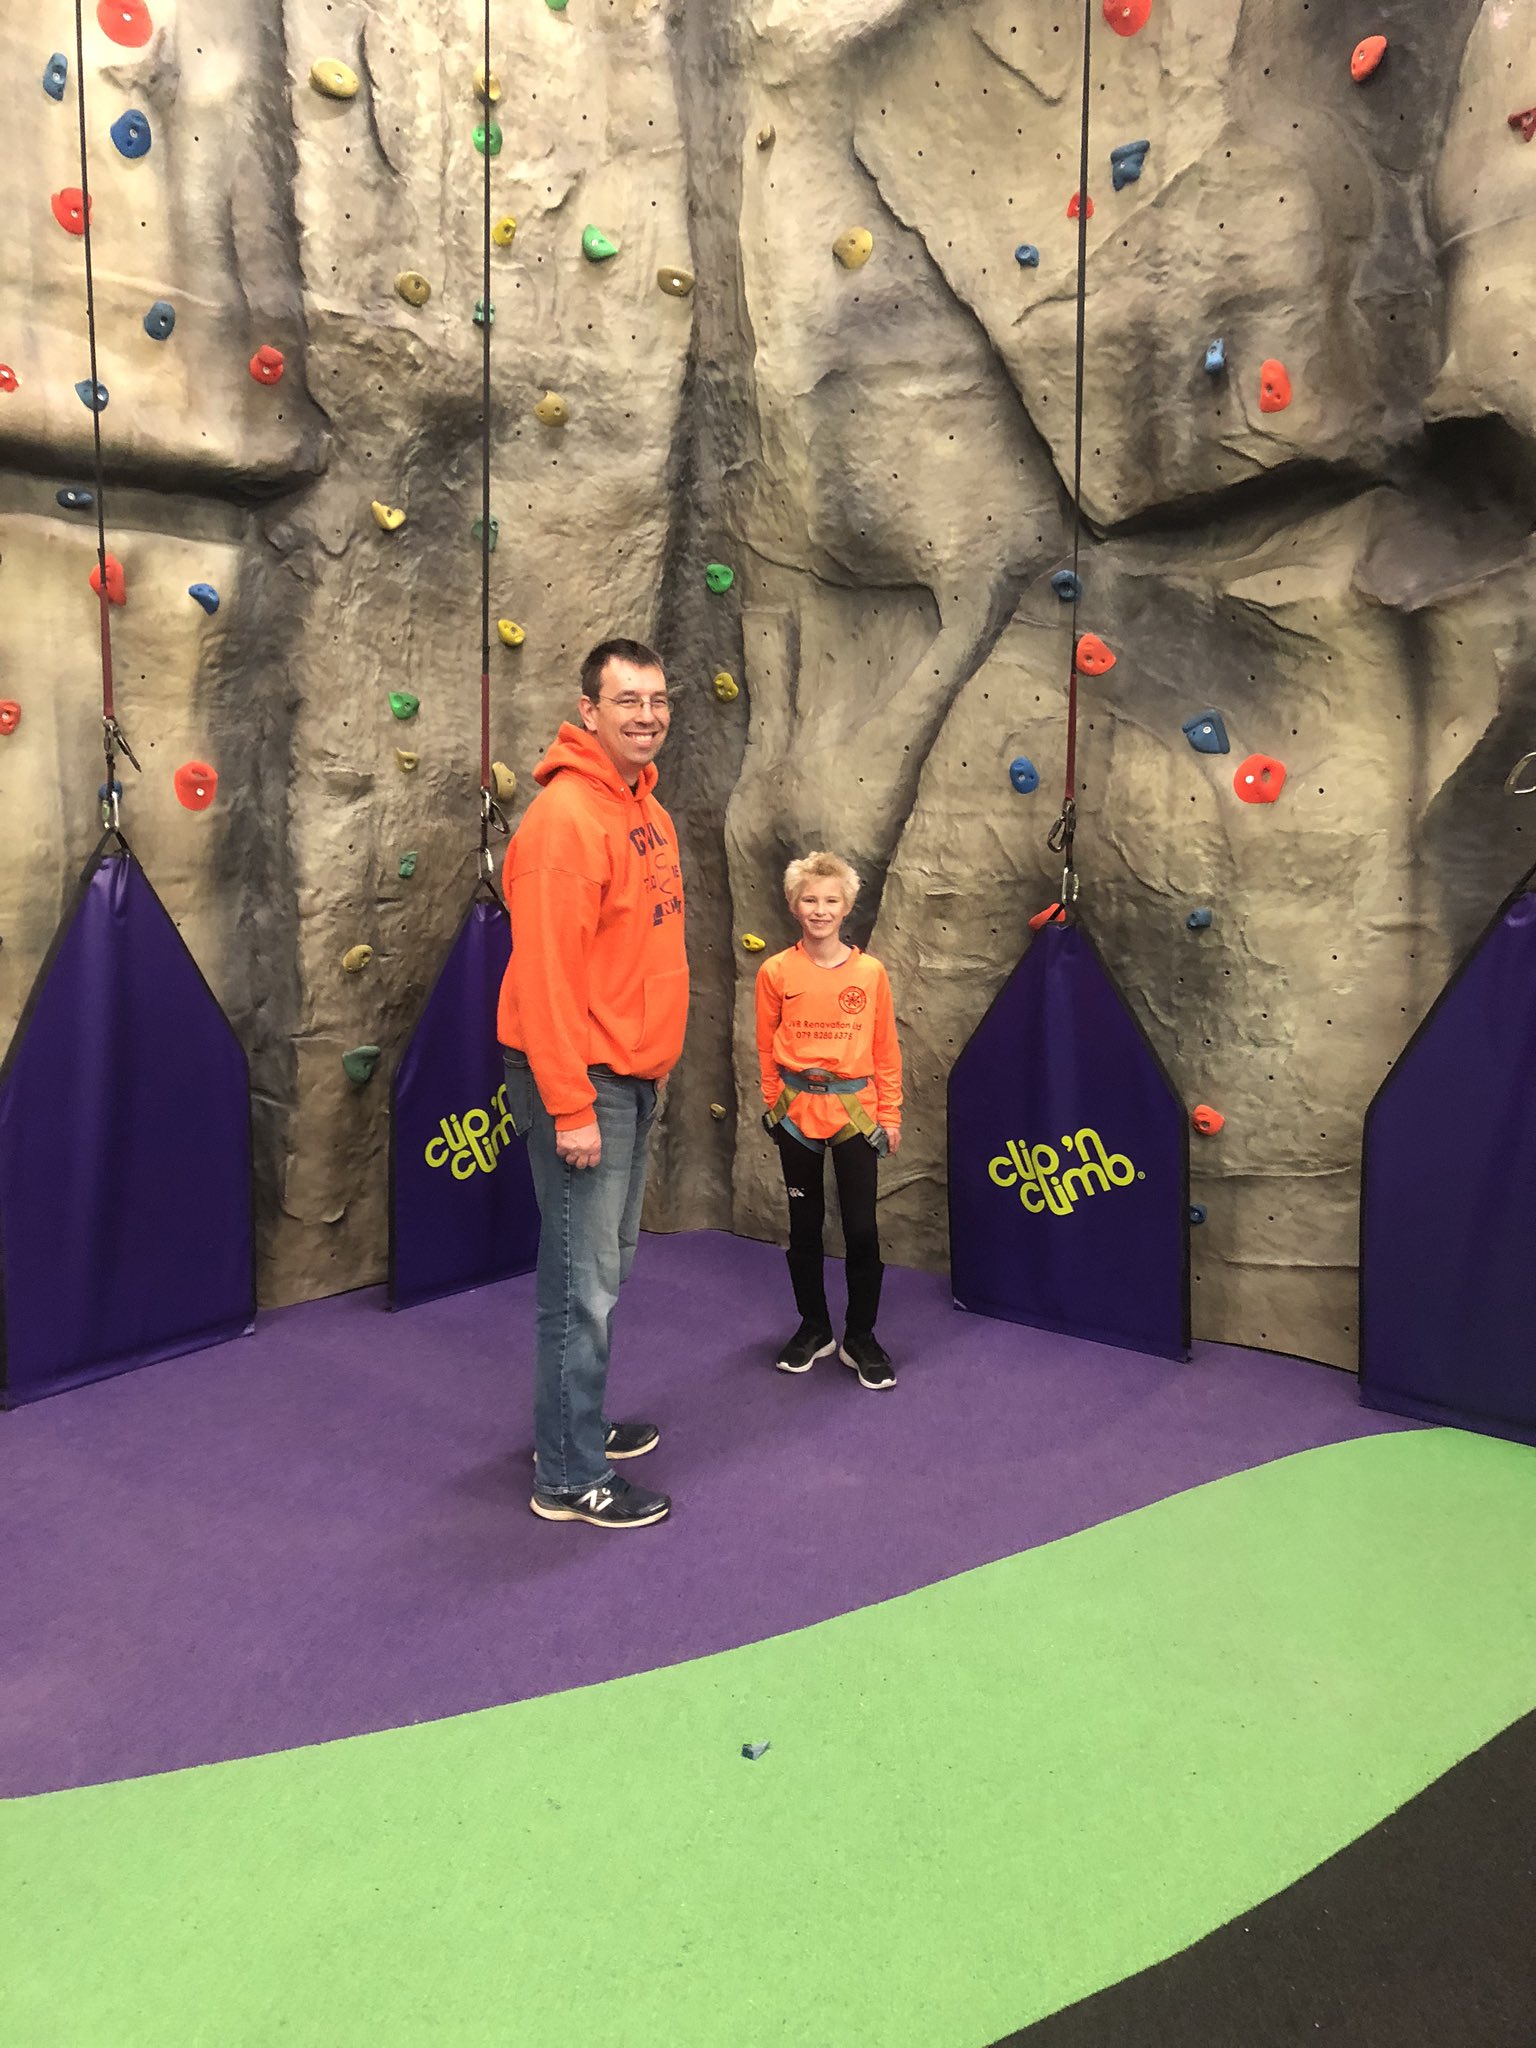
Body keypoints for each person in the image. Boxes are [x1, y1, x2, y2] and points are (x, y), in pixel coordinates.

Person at [499, 639, 688, 1529]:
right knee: (581, 1286)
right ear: (588, 710)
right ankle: (569, 1475)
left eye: (657, 700)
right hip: (582, 1080)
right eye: (627, 701)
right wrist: (571, 1106)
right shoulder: (564, 822)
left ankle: (572, 1427)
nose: (646, 716)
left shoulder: (646, 809)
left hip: (629, 1075)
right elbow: (545, 981)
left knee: (605, 1272)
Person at [755, 852, 903, 1388]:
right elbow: (765, 1044)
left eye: (831, 901)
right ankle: (814, 1327)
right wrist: (774, 1102)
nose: (820, 910)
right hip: (795, 1112)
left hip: (855, 1113)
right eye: (810, 900)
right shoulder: (775, 971)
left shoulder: (870, 973)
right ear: (794, 905)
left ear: (846, 907)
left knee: (861, 1228)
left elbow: (885, 1048)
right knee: (804, 1225)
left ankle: (860, 1336)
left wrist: (890, 1112)